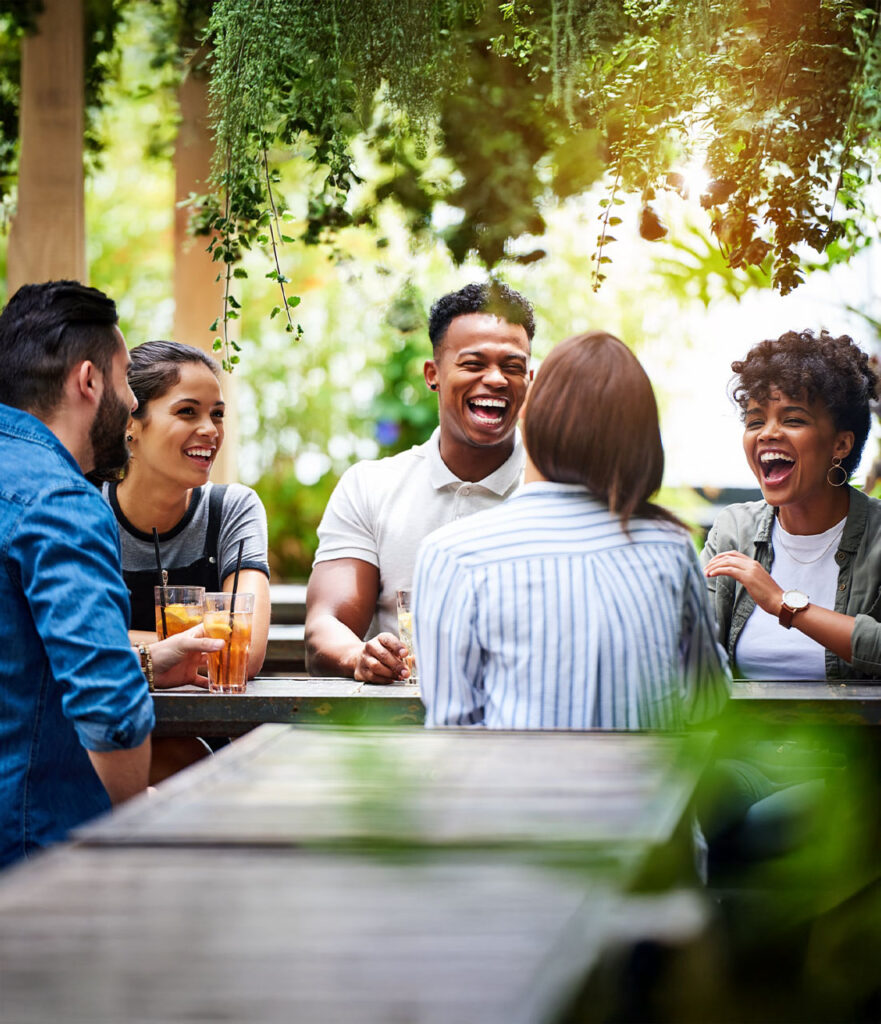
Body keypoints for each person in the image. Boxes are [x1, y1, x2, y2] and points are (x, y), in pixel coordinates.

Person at [0, 281, 224, 868]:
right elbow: (110, 709)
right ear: (88, 381)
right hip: (33, 843)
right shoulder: (61, 503)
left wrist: (146, 658)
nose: (131, 401)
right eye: (126, 380)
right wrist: (136, 817)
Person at [413, 331, 730, 728]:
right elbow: (707, 699)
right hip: (654, 787)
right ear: (640, 438)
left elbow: (453, 727)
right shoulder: (670, 544)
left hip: (512, 786)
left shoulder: (453, 554)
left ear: (527, 412)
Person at [306, 281, 534, 682]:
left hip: (520, 730)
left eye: (512, 367)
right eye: (473, 363)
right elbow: (326, 625)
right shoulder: (370, 485)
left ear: (529, 379)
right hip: (400, 733)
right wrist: (360, 656)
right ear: (434, 374)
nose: (496, 379)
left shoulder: (551, 493)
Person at [702, 329, 881, 679]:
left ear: (841, 445)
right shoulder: (734, 530)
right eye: (756, 420)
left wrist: (785, 605)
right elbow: (692, 652)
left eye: (793, 419)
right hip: (744, 734)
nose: (767, 433)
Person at [106, 340, 270, 678]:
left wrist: (122, 648)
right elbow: (65, 644)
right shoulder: (86, 510)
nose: (211, 430)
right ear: (130, 424)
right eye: (187, 411)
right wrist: (170, 651)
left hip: (208, 725)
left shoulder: (232, 509)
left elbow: (244, 650)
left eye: (217, 414)